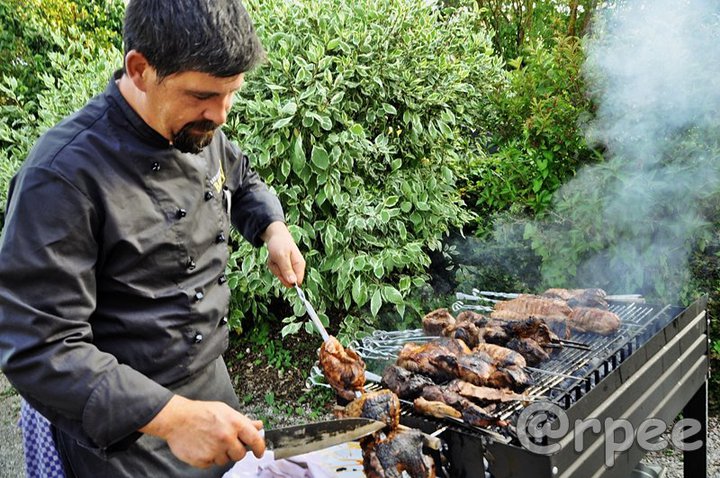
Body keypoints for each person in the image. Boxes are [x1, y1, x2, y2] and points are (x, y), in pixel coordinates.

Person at [0, 0, 306, 476]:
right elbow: (39, 346)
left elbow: (241, 179)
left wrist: (273, 228)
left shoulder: (197, 128)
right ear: (140, 69)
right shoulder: (61, 177)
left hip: (213, 388)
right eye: (203, 95)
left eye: (231, 95)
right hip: (132, 430)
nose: (221, 115)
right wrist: (173, 418)